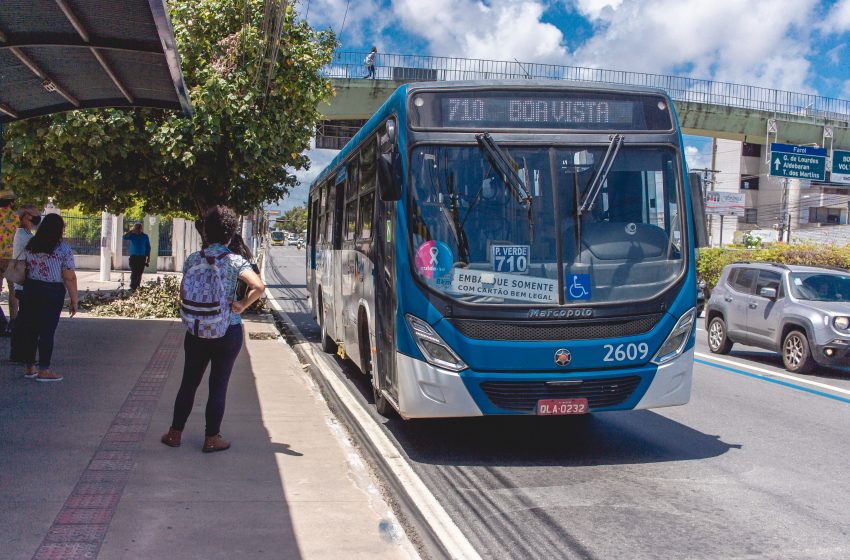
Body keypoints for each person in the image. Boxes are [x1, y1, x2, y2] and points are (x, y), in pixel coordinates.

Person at [161, 206, 265, 452]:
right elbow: (258, 287)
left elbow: (184, 291)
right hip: (227, 330)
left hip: (196, 329)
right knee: (218, 385)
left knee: (189, 382)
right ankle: (212, 438)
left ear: (206, 232)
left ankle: (175, 434)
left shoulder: (193, 259)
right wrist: (240, 305)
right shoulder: (235, 261)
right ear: (230, 235)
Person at [18, 213, 78, 382]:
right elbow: (69, 277)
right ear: (60, 230)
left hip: (31, 289)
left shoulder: (31, 245)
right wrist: (74, 300)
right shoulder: (63, 249)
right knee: (47, 331)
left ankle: (30, 367)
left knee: (30, 329)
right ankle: (44, 369)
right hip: (52, 292)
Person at [9, 205, 40, 362]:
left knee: (24, 317)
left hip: (23, 281)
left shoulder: (26, 233)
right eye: (35, 214)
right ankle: (19, 353)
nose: (37, 217)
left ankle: (19, 352)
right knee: (25, 319)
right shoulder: (23, 235)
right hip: (23, 282)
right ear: (27, 216)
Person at [0, 197, 16, 335]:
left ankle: (1, 323)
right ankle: (13, 323)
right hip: (11, 259)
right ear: (11, 202)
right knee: (13, 291)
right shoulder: (16, 217)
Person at [123, 222, 151, 290]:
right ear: (134, 229)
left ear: (141, 228)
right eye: (136, 228)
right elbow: (124, 237)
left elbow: (148, 247)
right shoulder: (132, 235)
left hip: (142, 258)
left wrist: (148, 258)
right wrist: (131, 231)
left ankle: (137, 286)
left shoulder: (145, 236)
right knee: (134, 272)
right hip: (133, 258)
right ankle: (132, 287)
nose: (138, 229)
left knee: (139, 273)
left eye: (139, 228)